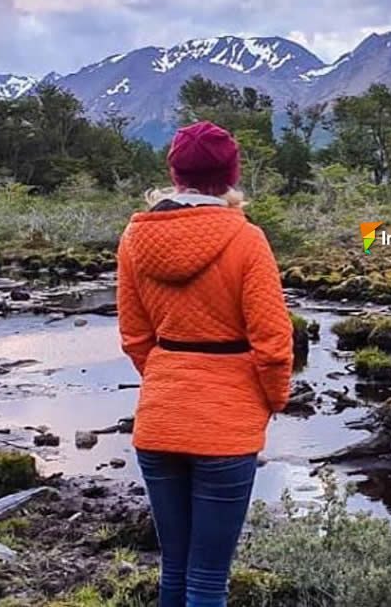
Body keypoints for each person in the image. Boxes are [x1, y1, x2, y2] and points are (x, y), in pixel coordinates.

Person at [116, 121, 294, 607]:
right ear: (230, 175)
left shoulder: (135, 238)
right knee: (209, 579)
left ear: (174, 174)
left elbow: (134, 337)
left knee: (174, 568)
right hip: (226, 427)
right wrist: (272, 400)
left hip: (159, 419)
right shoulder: (247, 239)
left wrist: (166, 381)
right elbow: (274, 343)